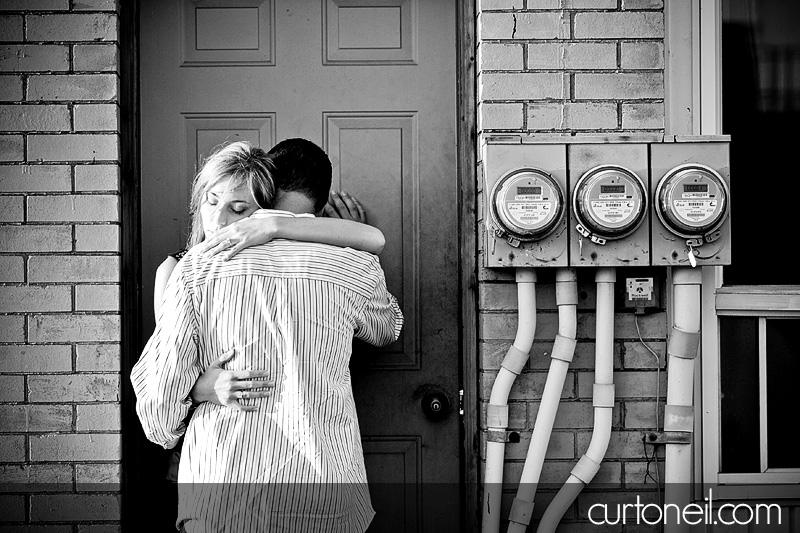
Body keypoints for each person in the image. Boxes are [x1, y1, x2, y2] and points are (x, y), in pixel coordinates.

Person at [131, 139, 403, 532]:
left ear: (264, 194)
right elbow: (387, 327)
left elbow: (158, 410)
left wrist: (191, 394)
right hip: (324, 494)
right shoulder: (352, 261)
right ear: (323, 207)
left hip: (222, 494)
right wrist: (349, 238)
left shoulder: (194, 268)